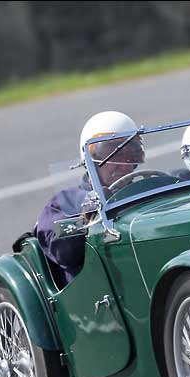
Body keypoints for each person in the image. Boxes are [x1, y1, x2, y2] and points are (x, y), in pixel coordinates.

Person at [36, 111, 144, 287]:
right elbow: (63, 252)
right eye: (111, 155)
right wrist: (88, 216)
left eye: (129, 154)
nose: (122, 163)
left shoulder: (143, 192)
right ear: (91, 160)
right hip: (97, 291)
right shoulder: (66, 201)